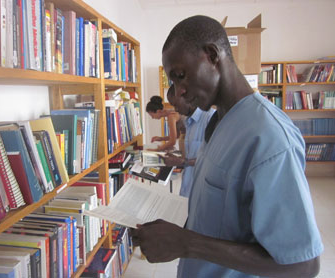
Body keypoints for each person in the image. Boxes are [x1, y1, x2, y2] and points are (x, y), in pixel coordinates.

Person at [132, 15, 323, 278]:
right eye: (173, 83)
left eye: (180, 76)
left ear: (211, 55)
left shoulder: (269, 138)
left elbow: (303, 265)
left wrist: (187, 244)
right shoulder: (218, 122)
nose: (180, 92)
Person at [165, 84, 215, 197]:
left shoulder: (210, 118)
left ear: (188, 98)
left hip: (202, 193)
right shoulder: (188, 122)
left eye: (176, 105)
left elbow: (214, 161)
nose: (176, 110)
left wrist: (183, 162)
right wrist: (178, 159)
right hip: (187, 189)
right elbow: (193, 154)